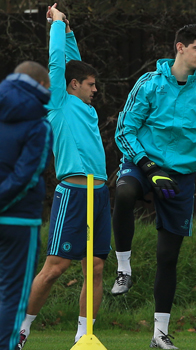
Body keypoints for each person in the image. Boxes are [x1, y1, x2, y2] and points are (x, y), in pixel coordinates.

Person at [111, 23, 196, 349]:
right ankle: (124, 268)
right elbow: (124, 131)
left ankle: (159, 334)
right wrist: (148, 167)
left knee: (168, 256)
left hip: (181, 176)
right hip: (142, 164)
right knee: (124, 192)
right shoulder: (150, 84)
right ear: (180, 48)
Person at [16, 4, 111, 349]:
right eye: (90, 84)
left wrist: (69, 31)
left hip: (99, 195)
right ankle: (20, 329)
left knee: (96, 267)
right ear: (73, 86)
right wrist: (55, 26)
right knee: (55, 267)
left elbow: (72, 62)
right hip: (72, 193)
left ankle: (84, 337)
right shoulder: (58, 102)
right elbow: (58, 64)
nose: (95, 89)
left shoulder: (84, 106)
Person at [0, 61, 52, 350]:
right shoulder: (39, 123)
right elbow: (28, 176)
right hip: (19, 220)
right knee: (13, 294)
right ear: (43, 87)